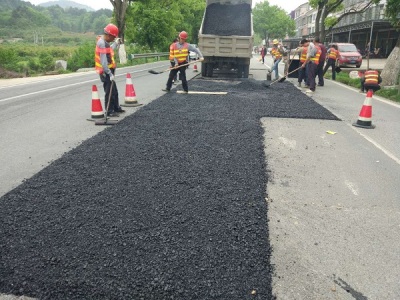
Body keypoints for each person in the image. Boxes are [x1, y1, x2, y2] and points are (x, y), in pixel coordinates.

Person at [95, 23, 125, 117]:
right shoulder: (102, 43)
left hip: (108, 70)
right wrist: (109, 73)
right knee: (109, 91)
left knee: (114, 90)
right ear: (109, 35)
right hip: (105, 72)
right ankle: (109, 111)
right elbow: (104, 62)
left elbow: (110, 50)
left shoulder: (105, 42)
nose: (113, 39)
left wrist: (115, 43)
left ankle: (116, 107)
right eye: (113, 37)